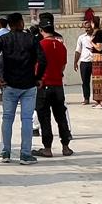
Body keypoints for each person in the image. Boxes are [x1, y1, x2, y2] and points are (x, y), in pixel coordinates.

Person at [0, 12, 44, 165]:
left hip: (9, 83)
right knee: (26, 119)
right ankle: (25, 153)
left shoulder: (3, 39)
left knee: (7, 118)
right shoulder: (31, 39)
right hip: (28, 83)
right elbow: (42, 59)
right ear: (21, 23)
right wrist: (38, 77)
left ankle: (5, 151)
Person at [36, 24, 73, 157]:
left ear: (41, 30)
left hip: (44, 84)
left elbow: (37, 65)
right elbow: (63, 66)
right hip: (58, 85)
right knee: (61, 116)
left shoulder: (40, 45)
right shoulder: (61, 46)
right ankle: (65, 146)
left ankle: (47, 148)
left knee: (44, 118)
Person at [74, 20, 96, 105]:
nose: (87, 29)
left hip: (95, 61)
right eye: (85, 28)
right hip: (84, 62)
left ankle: (98, 99)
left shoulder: (96, 36)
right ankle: (86, 98)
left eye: (89, 27)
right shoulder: (81, 38)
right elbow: (78, 50)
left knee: (96, 81)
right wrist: (75, 62)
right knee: (85, 81)